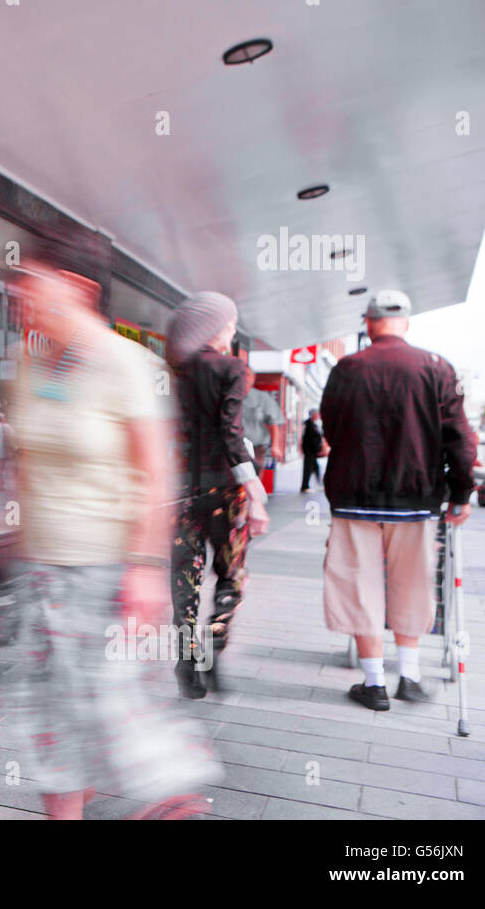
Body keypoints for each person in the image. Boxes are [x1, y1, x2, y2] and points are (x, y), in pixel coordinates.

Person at [8, 266, 220, 820]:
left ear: (76, 285)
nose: (22, 294)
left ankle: (170, 798)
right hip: (42, 571)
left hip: (105, 570)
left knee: (111, 704)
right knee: (51, 713)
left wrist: (146, 569)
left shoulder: (127, 363)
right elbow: (24, 460)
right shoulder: (29, 364)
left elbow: (156, 474)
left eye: (34, 282)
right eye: (19, 282)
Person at [320, 289, 475, 711]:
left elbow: (331, 429)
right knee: (413, 583)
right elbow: (459, 439)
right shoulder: (435, 366)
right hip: (415, 500)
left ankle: (374, 683)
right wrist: (460, 493)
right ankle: (409, 675)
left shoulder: (347, 368)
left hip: (355, 497)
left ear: (368, 323)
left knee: (359, 583)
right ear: (405, 323)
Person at [168, 292, 269, 698]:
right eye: (230, 324)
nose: (232, 332)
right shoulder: (232, 368)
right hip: (225, 491)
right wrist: (255, 491)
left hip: (180, 490)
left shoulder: (175, 373)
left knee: (184, 578)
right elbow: (231, 433)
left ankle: (186, 659)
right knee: (231, 575)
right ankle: (214, 644)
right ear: (218, 328)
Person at [241, 368, 285, 471]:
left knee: (252, 478)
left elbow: (273, 424)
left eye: (248, 375)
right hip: (234, 448)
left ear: (253, 378)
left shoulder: (263, 398)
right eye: (242, 375)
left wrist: (275, 446)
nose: (245, 379)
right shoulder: (230, 396)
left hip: (257, 449)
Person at [301, 409, 325, 492]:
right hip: (309, 451)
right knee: (308, 469)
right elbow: (308, 439)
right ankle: (305, 486)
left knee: (316, 467)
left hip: (312, 452)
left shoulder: (314, 424)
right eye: (317, 414)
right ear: (313, 415)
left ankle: (320, 484)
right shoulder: (308, 424)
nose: (318, 415)